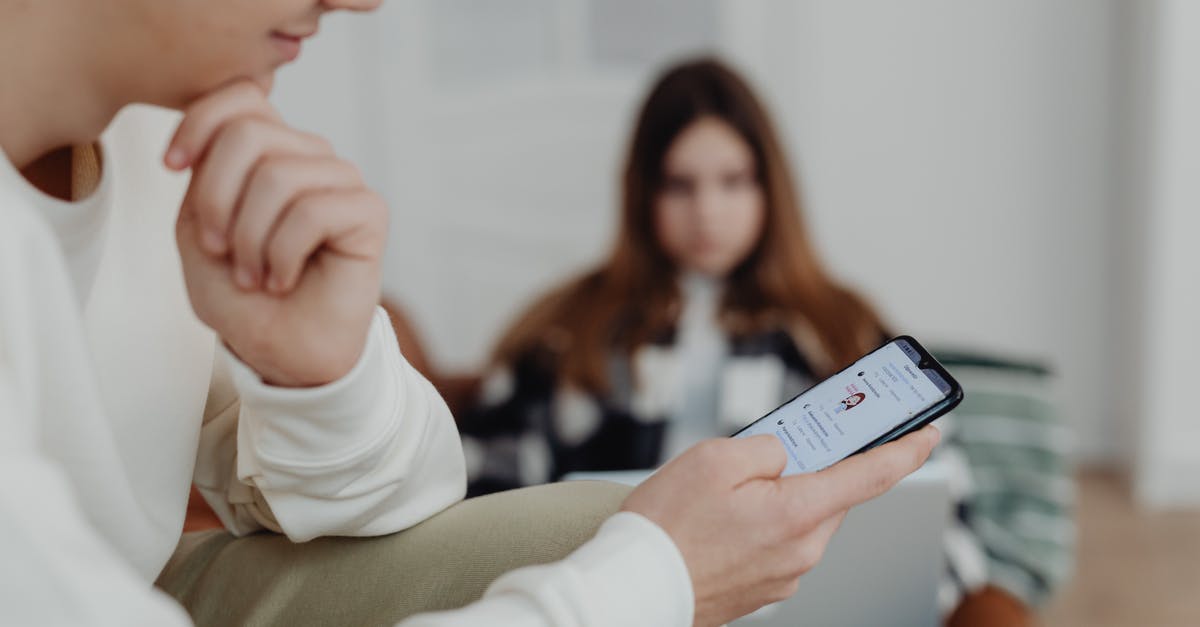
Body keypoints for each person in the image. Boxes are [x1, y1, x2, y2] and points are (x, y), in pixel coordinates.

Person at [0, 3, 939, 626]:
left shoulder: (167, 143)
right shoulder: (581, 330)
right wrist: (654, 580)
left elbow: (410, 502)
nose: (365, 3)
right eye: (682, 184)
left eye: (733, 182)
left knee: (604, 521)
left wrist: (323, 372)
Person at [459, 58, 1056, 625]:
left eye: (733, 181)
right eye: (679, 185)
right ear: (642, 193)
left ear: (770, 188)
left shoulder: (837, 327)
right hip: (618, 605)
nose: (708, 212)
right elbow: (484, 510)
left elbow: (938, 516)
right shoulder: (569, 329)